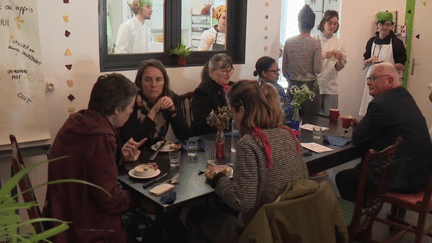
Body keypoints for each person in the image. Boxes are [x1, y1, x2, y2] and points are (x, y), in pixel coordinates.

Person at [187, 80, 309, 242]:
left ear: (242, 110)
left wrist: (217, 178)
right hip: (292, 224)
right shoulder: (289, 134)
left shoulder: (250, 143)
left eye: (232, 112)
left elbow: (243, 202)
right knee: (220, 205)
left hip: (261, 230)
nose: (233, 118)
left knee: (194, 215)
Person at [44, 73, 146, 242]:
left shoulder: (78, 121)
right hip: (85, 228)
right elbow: (110, 200)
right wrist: (138, 198)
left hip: (60, 217)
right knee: (152, 218)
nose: (131, 110)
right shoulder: (100, 138)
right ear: (117, 109)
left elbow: (88, 168)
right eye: (130, 106)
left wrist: (119, 157)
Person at [336, 62, 432, 205]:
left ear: (389, 81)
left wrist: (362, 127)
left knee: (344, 178)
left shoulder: (380, 103)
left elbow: (358, 138)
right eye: (368, 78)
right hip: (422, 174)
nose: (369, 82)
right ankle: (374, 215)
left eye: (373, 78)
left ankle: (359, 222)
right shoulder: (405, 96)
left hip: (404, 178)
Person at [120, 59, 191, 146]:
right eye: (148, 80)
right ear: (140, 82)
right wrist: (153, 111)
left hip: (159, 152)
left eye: (158, 80)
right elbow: (133, 140)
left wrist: (172, 111)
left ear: (164, 82)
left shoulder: (170, 97)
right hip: (135, 154)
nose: (153, 85)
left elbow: (185, 136)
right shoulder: (132, 101)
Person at [359, 11, 407, 116]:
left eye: (388, 24)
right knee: (369, 111)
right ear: (377, 25)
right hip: (371, 82)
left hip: (388, 83)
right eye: (382, 24)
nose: (384, 27)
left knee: (385, 113)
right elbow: (364, 61)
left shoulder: (396, 43)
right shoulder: (371, 42)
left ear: (392, 26)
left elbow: (402, 66)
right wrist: (368, 61)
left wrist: (385, 64)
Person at [282, 4, 322, 117]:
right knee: (310, 123)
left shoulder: (289, 42)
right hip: (310, 90)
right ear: (313, 24)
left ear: (299, 22)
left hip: (292, 87)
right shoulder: (316, 43)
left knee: (291, 122)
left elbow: (284, 70)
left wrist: (292, 80)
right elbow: (318, 69)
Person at [313, 10, 347, 117]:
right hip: (315, 85)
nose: (333, 26)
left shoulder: (339, 43)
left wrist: (340, 59)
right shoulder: (314, 39)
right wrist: (322, 55)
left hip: (331, 87)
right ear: (323, 23)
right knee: (314, 117)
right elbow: (308, 61)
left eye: (335, 23)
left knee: (330, 118)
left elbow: (339, 68)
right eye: (330, 23)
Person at [191, 53, 234, 136]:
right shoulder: (203, 91)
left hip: (230, 133)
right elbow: (202, 123)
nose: (228, 74)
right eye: (224, 71)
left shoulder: (233, 87)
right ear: (212, 71)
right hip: (210, 136)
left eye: (230, 70)